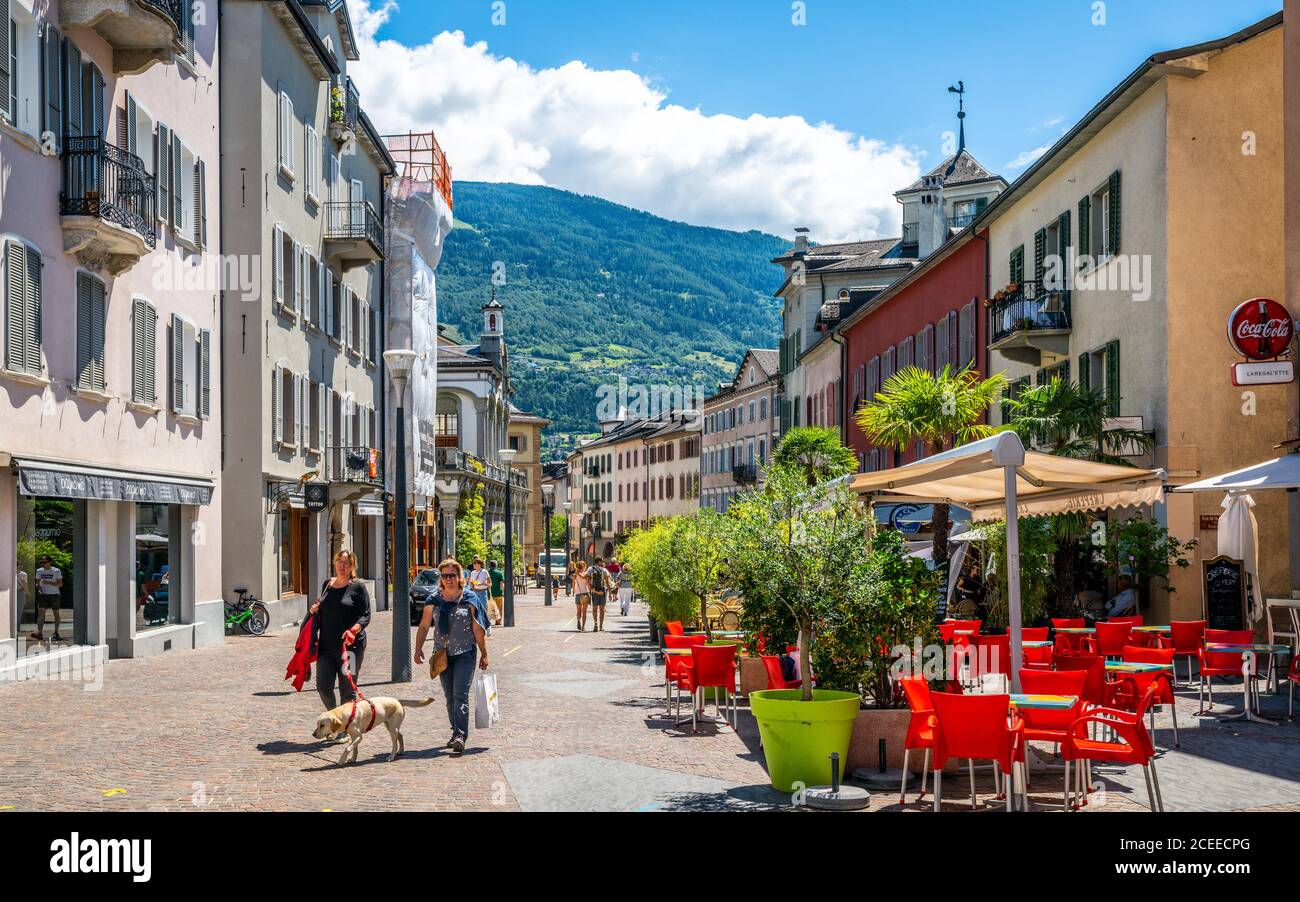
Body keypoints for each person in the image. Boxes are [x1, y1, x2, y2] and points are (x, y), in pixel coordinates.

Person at [413, 558, 490, 756]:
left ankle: (460, 735)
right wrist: (418, 648)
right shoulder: (434, 599)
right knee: (449, 698)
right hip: (442, 654)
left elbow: (478, 629)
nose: (448, 579)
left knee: (460, 694)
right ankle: (455, 730)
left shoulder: (470, 599)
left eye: (452, 575)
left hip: (465, 652)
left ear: (460, 577)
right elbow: (424, 625)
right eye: (445, 576)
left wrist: (484, 654)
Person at [308, 550, 371, 721]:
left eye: (346, 563)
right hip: (326, 647)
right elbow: (323, 607)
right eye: (339, 562)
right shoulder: (327, 584)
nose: (342, 566)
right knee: (322, 686)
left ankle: (344, 727)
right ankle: (337, 718)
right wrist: (315, 609)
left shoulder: (357, 587)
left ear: (352, 566)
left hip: (350, 647)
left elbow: (366, 614)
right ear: (334, 562)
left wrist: (354, 630)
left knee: (347, 690)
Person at [31, 556, 63, 642]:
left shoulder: (56, 571)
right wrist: (39, 590)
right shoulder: (39, 571)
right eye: (42, 562)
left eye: (45, 562)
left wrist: (48, 582)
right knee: (41, 614)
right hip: (43, 595)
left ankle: (56, 632)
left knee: (56, 613)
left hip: (54, 595)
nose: (43, 564)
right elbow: (37, 584)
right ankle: (40, 633)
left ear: (50, 562)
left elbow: (60, 584)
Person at [588, 556, 612, 632]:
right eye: (602, 561)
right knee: (602, 610)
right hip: (602, 591)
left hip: (594, 591)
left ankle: (595, 623)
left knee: (594, 609)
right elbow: (607, 582)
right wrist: (610, 593)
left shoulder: (590, 569)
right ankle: (601, 626)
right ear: (599, 562)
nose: (603, 562)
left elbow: (588, 581)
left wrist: (592, 590)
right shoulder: (604, 570)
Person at [572, 560, 591, 631]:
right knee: (584, 611)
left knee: (578, 610)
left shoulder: (574, 575)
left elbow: (573, 584)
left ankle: (578, 620)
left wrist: (574, 590)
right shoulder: (586, 574)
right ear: (583, 566)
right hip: (585, 593)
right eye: (585, 566)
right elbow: (587, 583)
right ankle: (583, 627)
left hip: (578, 593)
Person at [487, 558, 506, 627]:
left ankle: (488, 621)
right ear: (496, 565)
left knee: (490, 608)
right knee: (499, 608)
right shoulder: (500, 573)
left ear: (490, 565)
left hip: (490, 594)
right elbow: (501, 583)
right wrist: (504, 591)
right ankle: (498, 621)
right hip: (499, 593)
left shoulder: (487, 572)